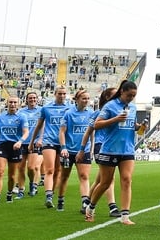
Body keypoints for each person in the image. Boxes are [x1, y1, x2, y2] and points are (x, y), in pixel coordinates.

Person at [84, 80, 140, 225]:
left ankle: (125, 216)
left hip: (127, 149)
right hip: (109, 149)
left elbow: (131, 126)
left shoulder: (133, 108)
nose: (131, 98)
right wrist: (115, 119)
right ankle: (90, 208)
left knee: (127, 180)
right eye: (129, 95)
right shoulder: (110, 106)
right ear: (122, 92)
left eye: (133, 96)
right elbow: (97, 124)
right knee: (105, 182)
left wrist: (139, 127)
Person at [76, 87, 121, 218]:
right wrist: (82, 150)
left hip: (113, 146)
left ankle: (87, 202)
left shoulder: (119, 112)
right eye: (114, 95)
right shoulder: (97, 114)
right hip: (101, 146)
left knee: (101, 179)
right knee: (109, 178)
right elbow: (88, 132)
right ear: (106, 97)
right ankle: (112, 207)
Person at [29, 85, 69, 209]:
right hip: (49, 141)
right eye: (59, 94)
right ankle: (48, 196)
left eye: (64, 94)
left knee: (58, 170)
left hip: (63, 144)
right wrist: (32, 141)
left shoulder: (70, 108)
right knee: (50, 169)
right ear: (55, 94)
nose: (62, 96)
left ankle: (52, 192)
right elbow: (39, 125)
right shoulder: (46, 108)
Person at [56, 88, 93, 212]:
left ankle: (84, 202)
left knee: (84, 176)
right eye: (83, 98)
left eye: (88, 98)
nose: (86, 101)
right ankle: (60, 199)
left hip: (84, 150)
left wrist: (91, 149)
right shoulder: (68, 113)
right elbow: (61, 132)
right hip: (69, 151)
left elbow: (92, 133)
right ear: (77, 100)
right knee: (64, 176)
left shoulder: (91, 113)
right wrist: (63, 148)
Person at [0, 96, 29, 206]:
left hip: (15, 147)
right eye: (10, 102)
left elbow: (26, 132)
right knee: (0, 171)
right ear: (7, 103)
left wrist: (20, 141)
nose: (12, 104)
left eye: (15, 102)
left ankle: (9, 193)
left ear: (19, 104)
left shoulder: (22, 117)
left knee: (11, 176)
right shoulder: (0, 117)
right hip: (2, 145)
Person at [17, 92, 42, 198]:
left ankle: (32, 184)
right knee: (21, 168)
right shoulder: (21, 112)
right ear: (26, 99)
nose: (32, 99)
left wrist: (41, 139)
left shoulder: (41, 111)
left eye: (34, 98)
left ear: (37, 99)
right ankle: (21, 191)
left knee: (32, 167)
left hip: (34, 142)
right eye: (30, 98)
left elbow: (44, 125)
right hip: (22, 142)